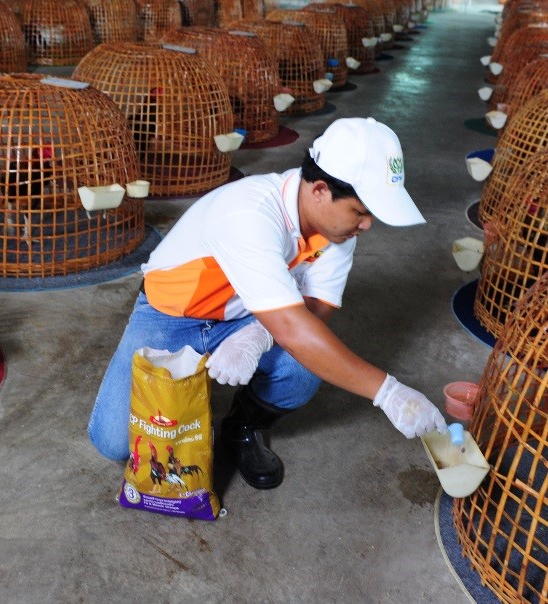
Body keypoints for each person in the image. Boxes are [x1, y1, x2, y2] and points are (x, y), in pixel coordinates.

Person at [88, 117, 448, 489]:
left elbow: (315, 310)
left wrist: (258, 335)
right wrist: (387, 392)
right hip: (172, 315)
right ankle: (190, 397)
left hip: (246, 315)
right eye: (361, 211)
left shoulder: (336, 232)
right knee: (114, 442)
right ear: (321, 190)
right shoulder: (251, 211)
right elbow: (294, 327)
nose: (367, 225)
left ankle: (243, 425)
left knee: (304, 368)